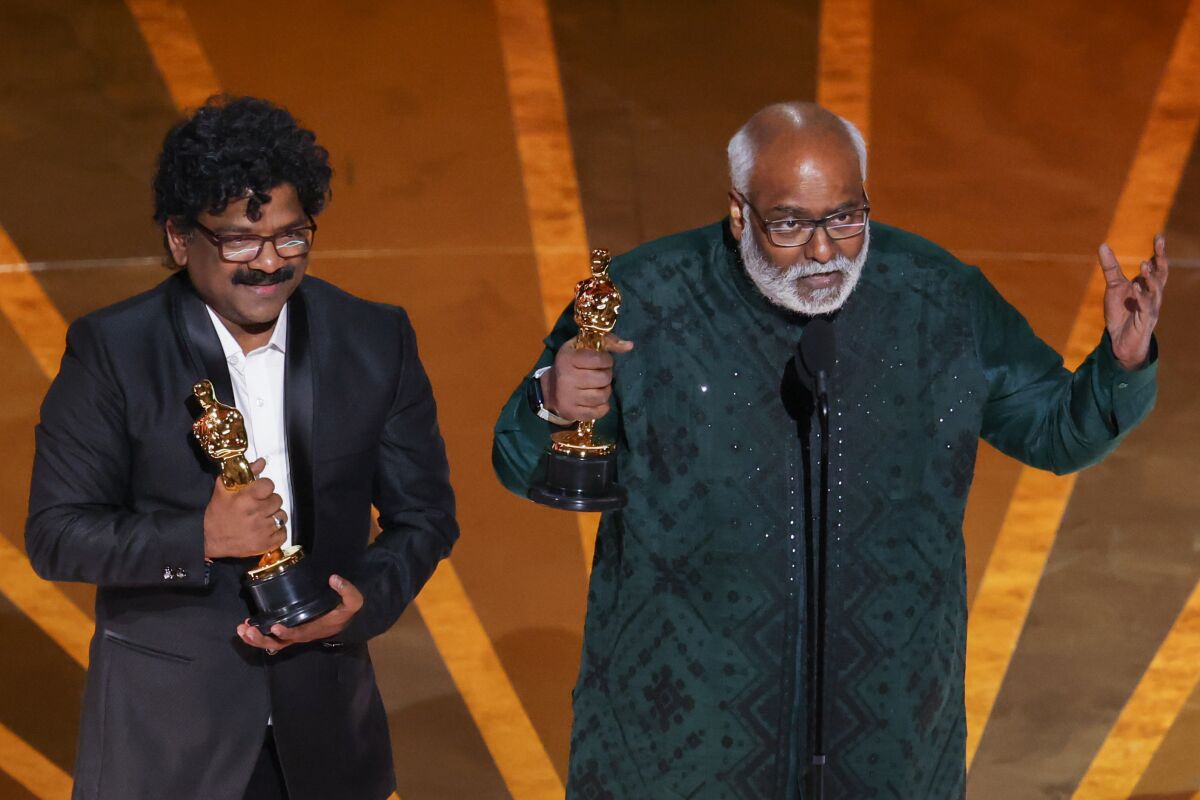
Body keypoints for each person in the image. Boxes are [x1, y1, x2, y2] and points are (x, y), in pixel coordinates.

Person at [492, 101, 1166, 798]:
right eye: (790, 224)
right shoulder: (646, 299)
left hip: (887, 742)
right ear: (739, 212)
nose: (823, 251)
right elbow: (523, 463)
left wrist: (1122, 362)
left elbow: (1056, 430)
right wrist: (550, 401)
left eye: (846, 218)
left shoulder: (938, 297)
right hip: (679, 748)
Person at [26, 96, 458, 800]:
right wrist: (199, 537)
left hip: (328, 741)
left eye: (292, 238)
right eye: (240, 243)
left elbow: (426, 517)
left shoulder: (374, 338)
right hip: (168, 748)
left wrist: (362, 605)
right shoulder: (113, 351)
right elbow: (56, 535)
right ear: (179, 238)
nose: (269, 264)